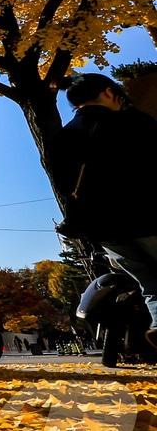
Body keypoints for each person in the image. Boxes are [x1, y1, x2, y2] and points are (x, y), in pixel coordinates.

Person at [56, 73, 157, 349]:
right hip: (147, 216)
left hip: (104, 228)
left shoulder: (65, 136)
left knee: (149, 281)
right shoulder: (135, 123)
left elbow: (64, 183)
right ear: (109, 93)